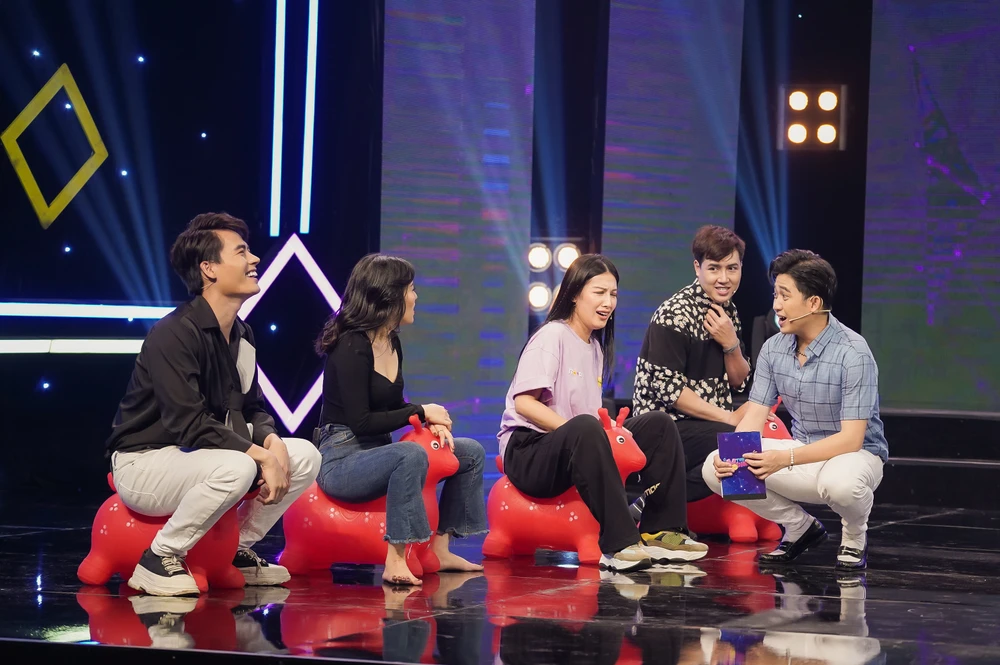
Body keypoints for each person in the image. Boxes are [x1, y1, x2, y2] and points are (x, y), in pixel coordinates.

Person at [106, 212, 322, 596]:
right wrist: (261, 456)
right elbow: (187, 424)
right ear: (209, 269)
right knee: (240, 465)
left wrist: (272, 443)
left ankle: (234, 548)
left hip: (197, 456)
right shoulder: (173, 333)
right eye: (241, 252)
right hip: (144, 462)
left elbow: (252, 408)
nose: (254, 259)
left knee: (304, 454)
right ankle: (159, 557)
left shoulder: (243, 333)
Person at [498, 254, 708, 573]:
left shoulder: (594, 346)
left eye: (613, 294)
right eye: (599, 292)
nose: (608, 302)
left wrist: (601, 432)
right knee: (586, 427)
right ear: (574, 293)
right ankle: (618, 543)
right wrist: (577, 432)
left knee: (659, 425)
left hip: (576, 443)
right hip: (529, 451)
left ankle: (662, 531)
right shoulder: (552, 335)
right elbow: (525, 404)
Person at [703, 250, 888, 571]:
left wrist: (783, 458)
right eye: (775, 294)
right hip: (803, 453)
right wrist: (732, 456)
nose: (776, 305)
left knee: (840, 485)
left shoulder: (853, 353)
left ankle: (855, 534)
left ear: (813, 303)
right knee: (715, 468)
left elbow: (852, 440)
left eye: (785, 296)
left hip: (855, 457)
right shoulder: (774, 349)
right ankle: (800, 527)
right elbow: (754, 415)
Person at [314, 254, 487, 586]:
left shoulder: (392, 341)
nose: (415, 297)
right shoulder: (351, 345)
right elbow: (362, 422)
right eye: (411, 289)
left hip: (378, 452)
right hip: (341, 459)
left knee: (469, 452)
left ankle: (440, 549)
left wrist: (428, 423)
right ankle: (395, 558)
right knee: (410, 454)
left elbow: (393, 407)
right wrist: (420, 411)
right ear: (388, 295)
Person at [632, 225, 752, 503]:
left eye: (732, 268)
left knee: (755, 436)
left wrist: (731, 344)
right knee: (740, 440)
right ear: (697, 268)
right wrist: (729, 418)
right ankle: (654, 504)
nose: (724, 278)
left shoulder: (729, 312)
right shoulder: (674, 313)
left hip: (704, 425)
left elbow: (739, 381)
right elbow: (670, 391)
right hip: (664, 428)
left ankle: (739, 513)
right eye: (714, 269)